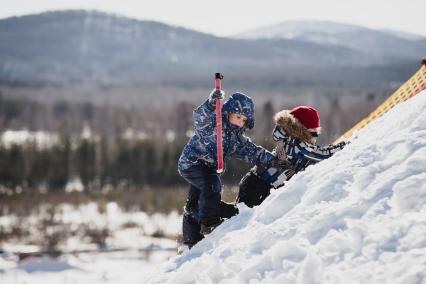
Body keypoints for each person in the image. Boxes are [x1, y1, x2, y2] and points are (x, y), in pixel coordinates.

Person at [178, 90, 295, 250]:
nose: (240, 122)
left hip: (208, 168)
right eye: (237, 116)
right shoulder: (213, 125)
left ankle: (196, 224)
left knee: (199, 198)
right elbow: (200, 118)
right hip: (192, 163)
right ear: (228, 112)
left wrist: (273, 161)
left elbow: (252, 151)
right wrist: (211, 103)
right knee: (212, 185)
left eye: (243, 119)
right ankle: (209, 223)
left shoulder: (236, 138)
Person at [237, 105, 348, 208]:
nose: (315, 138)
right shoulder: (299, 145)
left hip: (254, 181)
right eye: (314, 133)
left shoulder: (286, 136)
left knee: (238, 219)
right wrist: (345, 145)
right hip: (260, 188)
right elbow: (322, 154)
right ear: (302, 130)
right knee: (244, 222)